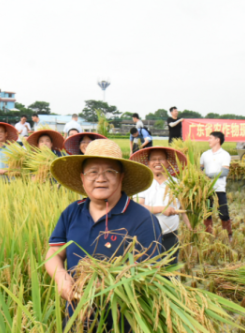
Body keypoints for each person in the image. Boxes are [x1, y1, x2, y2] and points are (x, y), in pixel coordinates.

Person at [46, 139, 161, 331]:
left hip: (122, 322)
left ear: (121, 177)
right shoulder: (72, 212)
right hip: (76, 317)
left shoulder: (142, 219)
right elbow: (54, 252)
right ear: (82, 178)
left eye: (110, 171)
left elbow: (151, 272)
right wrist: (61, 278)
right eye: (93, 172)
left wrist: (110, 283)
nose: (100, 178)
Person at [131, 147, 191, 265]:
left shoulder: (176, 183)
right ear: (148, 163)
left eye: (161, 159)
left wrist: (191, 225)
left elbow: (183, 209)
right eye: (153, 159)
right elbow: (138, 207)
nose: (157, 162)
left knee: (169, 271)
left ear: (168, 162)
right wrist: (161, 209)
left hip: (171, 235)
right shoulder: (143, 183)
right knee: (149, 271)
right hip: (147, 236)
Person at [200, 131, 233, 239]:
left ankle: (228, 235)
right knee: (206, 212)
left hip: (219, 188)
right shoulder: (205, 154)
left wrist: (208, 175)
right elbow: (200, 169)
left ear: (217, 140)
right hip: (206, 189)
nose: (208, 140)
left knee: (223, 213)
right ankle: (208, 234)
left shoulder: (225, 155)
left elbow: (224, 172)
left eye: (210, 138)